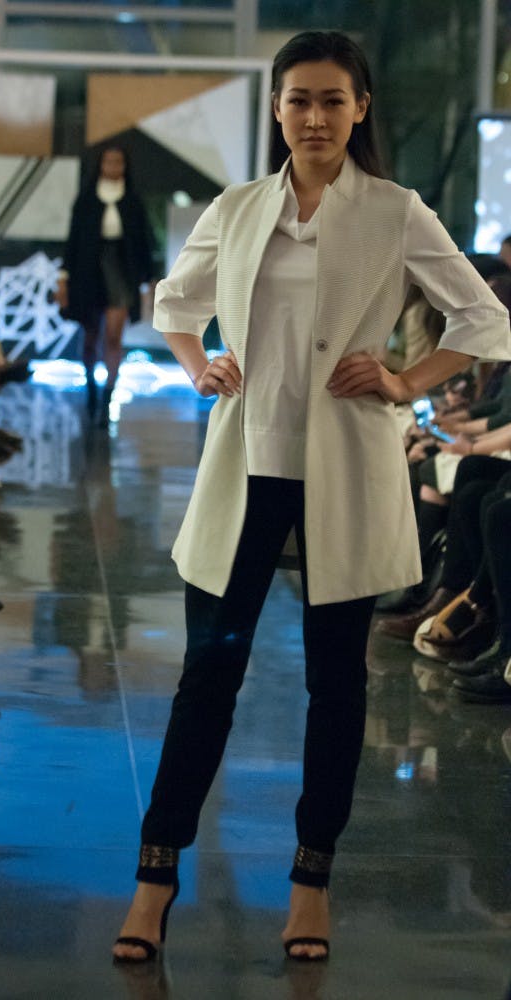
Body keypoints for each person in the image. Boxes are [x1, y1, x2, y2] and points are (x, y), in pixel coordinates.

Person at [112, 30, 511, 964]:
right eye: (299, 99)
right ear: (277, 109)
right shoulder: (240, 207)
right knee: (207, 676)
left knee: (336, 685)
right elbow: (175, 303)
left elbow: (486, 319)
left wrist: (405, 380)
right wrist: (199, 365)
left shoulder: (394, 211)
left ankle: (310, 882)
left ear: (360, 108)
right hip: (245, 468)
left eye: (334, 100)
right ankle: (154, 878)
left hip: (345, 469)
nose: (316, 117)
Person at [56, 146, 155, 425]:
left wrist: (149, 278)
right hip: (88, 271)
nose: (113, 166)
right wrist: (63, 277)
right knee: (90, 336)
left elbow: (143, 242)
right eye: (109, 161)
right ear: (100, 164)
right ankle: (90, 388)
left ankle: (107, 397)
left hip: (121, 269)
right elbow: (74, 239)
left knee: (113, 336)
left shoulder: (133, 201)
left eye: (118, 161)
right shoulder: (87, 199)